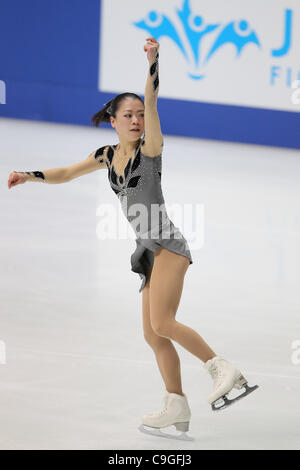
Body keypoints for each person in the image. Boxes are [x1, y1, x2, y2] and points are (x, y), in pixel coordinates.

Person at [7, 37, 258, 440]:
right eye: (129, 115)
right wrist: (29, 174)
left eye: (140, 114)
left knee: (163, 321)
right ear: (114, 120)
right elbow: (68, 172)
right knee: (152, 334)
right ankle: (176, 402)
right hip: (146, 251)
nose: (137, 120)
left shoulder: (151, 149)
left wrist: (154, 61)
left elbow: (154, 102)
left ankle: (222, 367)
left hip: (168, 246)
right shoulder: (107, 155)